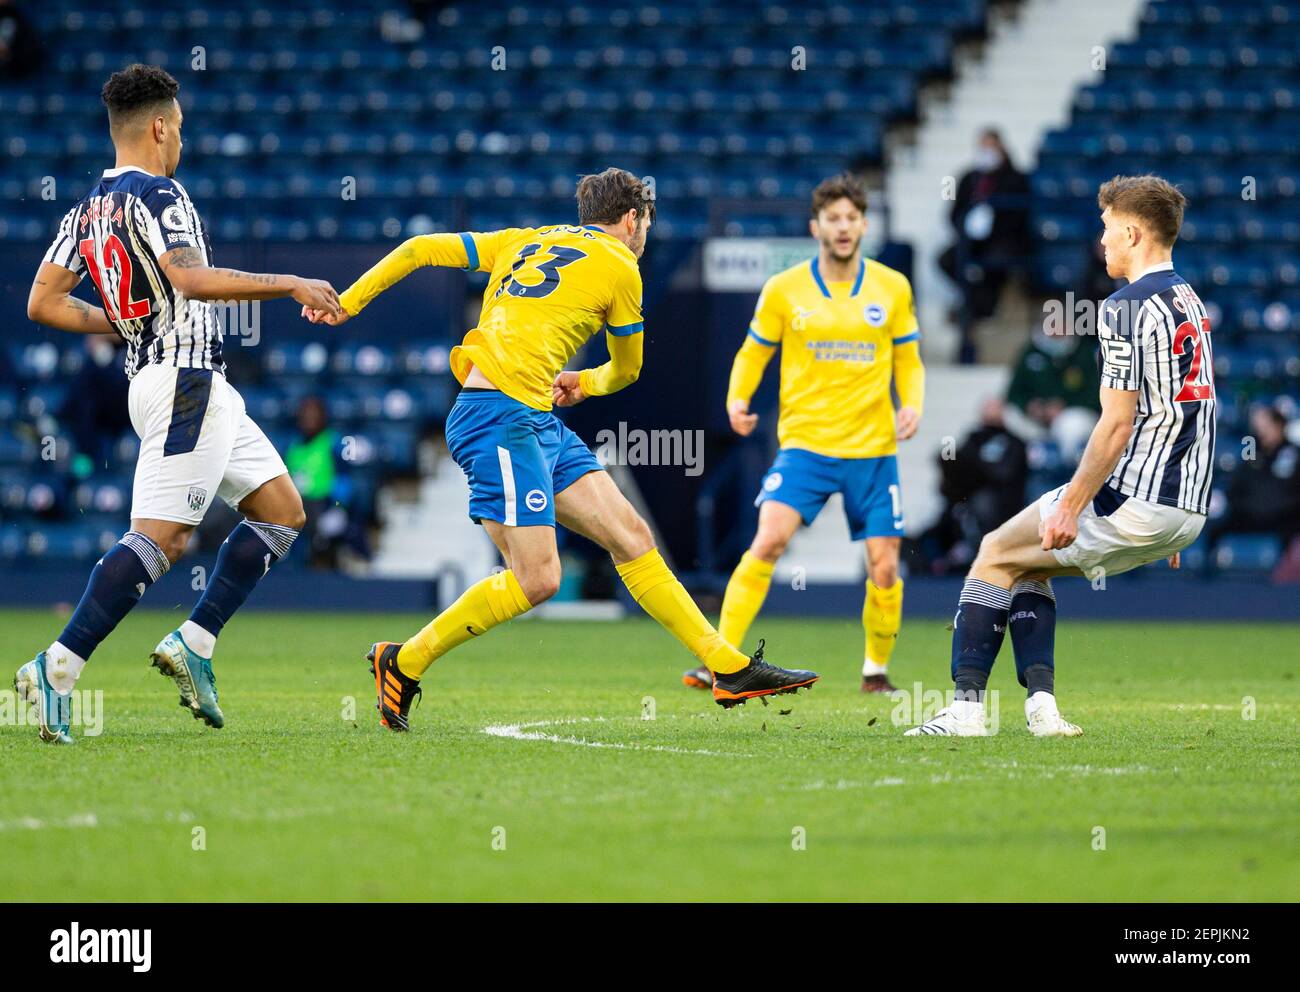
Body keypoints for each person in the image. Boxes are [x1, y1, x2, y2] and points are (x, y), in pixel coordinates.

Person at [305, 168, 819, 730]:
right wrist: (588, 382)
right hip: (498, 417)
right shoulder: (623, 266)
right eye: (647, 221)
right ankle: (404, 661)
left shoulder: (527, 238)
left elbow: (421, 247)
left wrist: (348, 301)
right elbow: (629, 369)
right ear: (632, 219)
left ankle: (727, 666)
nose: (645, 233)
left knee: (631, 536)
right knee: (538, 579)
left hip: (529, 417)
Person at [17, 64, 341, 743]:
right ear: (161, 127)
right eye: (182, 129)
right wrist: (289, 284)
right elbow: (189, 277)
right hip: (184, 379)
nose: (183, 141)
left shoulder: (86, 210)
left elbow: (41, 302)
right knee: (161, 539)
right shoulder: (161, 193)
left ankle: (195, 640)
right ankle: (57, 666)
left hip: (180, 380)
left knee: (281, 512)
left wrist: (123, 323)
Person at [907, 174, 1213, 737]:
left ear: (1131, 231)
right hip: (1182, 506)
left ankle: (968, 710)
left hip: (1137, 497)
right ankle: (1041, 711)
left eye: (1104, 229)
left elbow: (1117, 424)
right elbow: (1197, 411)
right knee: (1027, 565)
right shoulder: (1189, 301)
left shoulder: (1124, 307)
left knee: (994, 552)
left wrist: (1073, 504)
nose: (1100, 242)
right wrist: (1180, 517)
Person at [681, 173, 924, 694]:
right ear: (816, 227)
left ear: (863, 225)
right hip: (805, 447)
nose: (843, 227)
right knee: (766, 541)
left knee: (884, 567)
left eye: (852, 219)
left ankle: (875, 671)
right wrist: (737, 398)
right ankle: (720, 661)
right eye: (833, 219)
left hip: (873, 449)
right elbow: (753, 352)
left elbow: (908, 358)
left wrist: (913, 405)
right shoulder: (785, 288)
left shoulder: (892, 286)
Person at [937, 128, 1031, 361]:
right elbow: (951, 206)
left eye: (991, 146)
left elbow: (1020, 216)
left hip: (1003, 240)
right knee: (947, 259)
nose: (986, 152)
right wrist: (967, 225)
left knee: (996, 263)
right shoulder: (966, 177)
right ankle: (978, 306)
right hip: (971, 242)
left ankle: (975, 307)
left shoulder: (1016, 177)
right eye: (982, 146)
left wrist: (993, 223)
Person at [1203, 405, 1300, 571]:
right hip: (1251, 513)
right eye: (1258, 427)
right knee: (1215, 527)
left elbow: (1284, 488)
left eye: (1266, 426)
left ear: (1279, 426)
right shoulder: (1252, 449)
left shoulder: (1292, 452)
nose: (1262, 431)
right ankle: (1206, 571)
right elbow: (1241, 478)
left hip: (1283, 516)